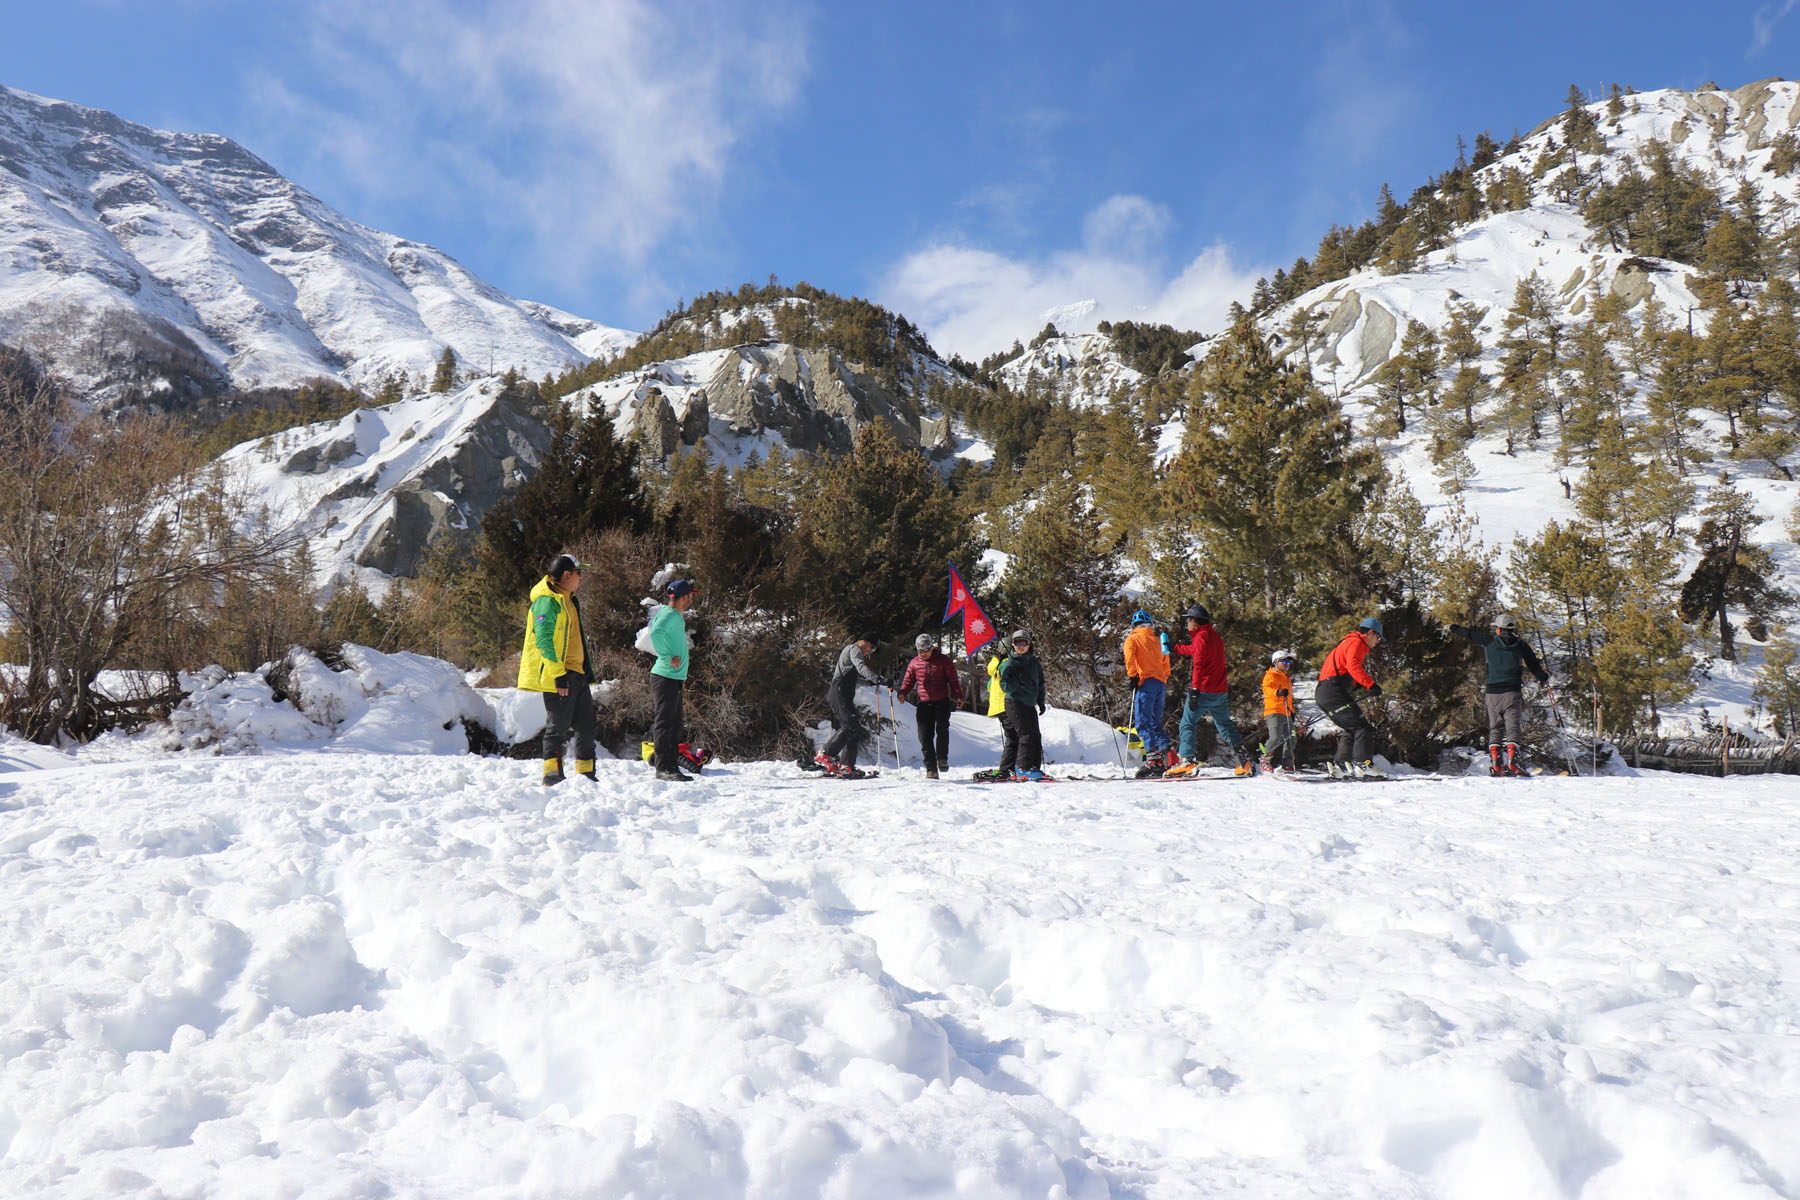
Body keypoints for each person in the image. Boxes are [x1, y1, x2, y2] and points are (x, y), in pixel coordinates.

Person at [517, 553, 598, 786]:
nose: (581, 577)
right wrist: (558, 674)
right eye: (579, 573)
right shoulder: (547, 601)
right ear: (566, 574)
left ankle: (586, 774)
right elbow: (544, 640)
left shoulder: (569, 599)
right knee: (558, 726)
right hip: (560, 674)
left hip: (578, 673)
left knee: (586, 725)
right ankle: (551, 774)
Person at [1450, 613, 1549, 776]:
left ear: (1498, 629)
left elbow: (1469, 633)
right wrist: (1543, 678)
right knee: (1513, 727)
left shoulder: (1488, 641)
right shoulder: (1521, 645)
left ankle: (1496, 765)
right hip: (1512, 692)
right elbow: (1534, 665)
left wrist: (1453, 628)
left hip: (1492, 693)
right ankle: (1513, 763)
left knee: (1495, 727)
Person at [1166, 604, 1255, 777]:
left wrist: (1194, 690)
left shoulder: (1200, 638)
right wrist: (1175, 648)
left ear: (1195, 622)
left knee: (1187, 723)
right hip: (1219, 692)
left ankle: (1186, 762)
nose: (1187, 624)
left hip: (1204, 690)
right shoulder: (1215, 637)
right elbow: (1194, 651)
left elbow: (1198, 665)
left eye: (1189, 620)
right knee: (1225, 726)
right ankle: (1245, 762)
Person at [1316, 616, 1384, 778]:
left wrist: (1355, 683)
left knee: (1352, 727)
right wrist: (1370, 684)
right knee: (1363, 727)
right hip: (1332, 690)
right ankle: (1363, 765)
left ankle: (1341, 765)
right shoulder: (1357, 642)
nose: (1377, 642)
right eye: (1378, 637)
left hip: (1324, 691)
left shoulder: (1347, 641)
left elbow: (1342, 667)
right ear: (1370, 633)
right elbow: (1353, 666)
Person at [648, 577, 699, 782]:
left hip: (673, 677)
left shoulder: (675, 615)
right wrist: (668, 657)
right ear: (685, 597)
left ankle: (670, 764)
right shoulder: (668, 614)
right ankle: (663, 768)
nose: (691, 601)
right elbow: (655, 633)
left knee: (675, 723)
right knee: (665, 723)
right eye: (691, 596)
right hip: (664, 676)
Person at [817, 633, 885, 778]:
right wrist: (875, 677)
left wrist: (873, 682)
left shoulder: (852, 655)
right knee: (850, 726)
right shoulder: (853, 649)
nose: (869, 651)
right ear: (864, 641)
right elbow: (861, 668)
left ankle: (847, 765)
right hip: (839, 692)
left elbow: (855, 677)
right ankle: (826, 754)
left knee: (853, 728)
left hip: (843, 694)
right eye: (871, 648)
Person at [899, 633, 964, 779]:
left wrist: (958, 695)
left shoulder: (943, 661)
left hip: (941, 701)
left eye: (925, 651)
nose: (923, 654)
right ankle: (931, 768)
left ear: (931, 648)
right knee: (924, 736)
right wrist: (903, 692)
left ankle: (942, 758)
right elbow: (908, 680)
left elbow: (953, 680)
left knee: (942, 729)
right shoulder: (915, 663)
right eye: (920, 651)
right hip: (923, 703)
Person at [1123, 610, 1173, 776]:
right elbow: (1166, 663)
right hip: (1160, 683)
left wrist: (1132, 676)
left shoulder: (1133, 639)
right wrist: (1162, 677)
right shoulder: (1159, 640)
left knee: (1143, 721)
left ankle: (1154, 760)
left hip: (1145, 682)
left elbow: (1130, 658)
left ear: (1134, 625)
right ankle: (1170, 755)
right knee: (1154, 721)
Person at [999, 629, 1047, 780]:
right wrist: (1016, 681)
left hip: (1029, 703)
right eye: (1017, 643)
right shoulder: (1010, 663)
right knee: (1025, 734)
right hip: (1014, 703)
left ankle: (1033, 767)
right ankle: (1022, 768)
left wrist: (1041, 701)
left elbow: (1040, 683)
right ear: (1012, 645)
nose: (1021, 647)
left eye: (1024, 643)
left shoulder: (1033, 662)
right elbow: (1004, 685)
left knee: (1035, 735)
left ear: (1029, 644)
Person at [974, 645, 1017, 782]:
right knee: (1013, 738)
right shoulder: (1007, 664)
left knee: (1011, 737)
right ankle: (1007, 768)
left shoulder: (995, 666)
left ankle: (1009, 767)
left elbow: (989, 687)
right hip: (1007, 705)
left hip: (998, 707)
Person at [1261, 649, 1300, 774]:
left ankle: (1287, 763)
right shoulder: (1271, 675)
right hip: (1274, 711)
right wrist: (1277, 692)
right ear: (1276, 662)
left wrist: (1291, 711)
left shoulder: (1286, 678)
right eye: (1284, 661)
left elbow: (1288, 698)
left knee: (1292, 738)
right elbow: (1267, 689)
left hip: (1286, 712)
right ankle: (1264, 759)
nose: (1287, 664)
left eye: (1289, 662)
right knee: (1276, 737)